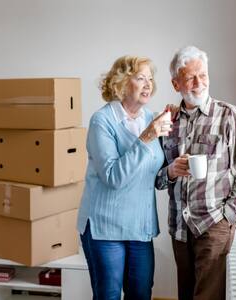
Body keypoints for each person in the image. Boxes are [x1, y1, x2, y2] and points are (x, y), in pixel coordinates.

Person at [155, 46, 236, 300]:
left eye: (203, 75)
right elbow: (156, 178)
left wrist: (228, 217)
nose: (199, 83)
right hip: (179, 227)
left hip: (214, 225)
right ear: (176, 83)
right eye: (190, 77)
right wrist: (170, 171)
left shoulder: (229, 116)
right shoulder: (168, 121)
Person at [77, 55, 173, 300]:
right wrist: (146, 138)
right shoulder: (102, 121)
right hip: (105, 227)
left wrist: (173, 170)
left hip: (140, 226)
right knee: (108, 296)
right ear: (120, 83)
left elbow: (150, 170)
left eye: (150, 79)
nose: (148, 84)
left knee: (141, 294)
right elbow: (113, 177)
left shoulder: (152, 118)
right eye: (140, 78)